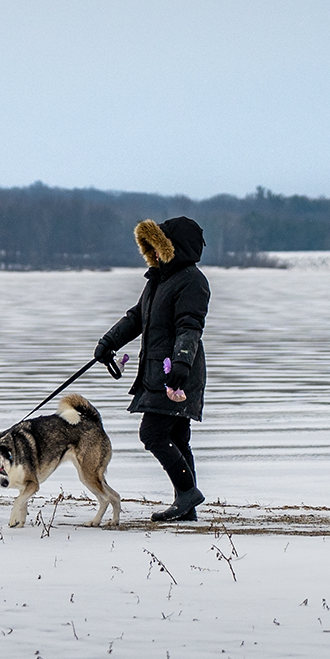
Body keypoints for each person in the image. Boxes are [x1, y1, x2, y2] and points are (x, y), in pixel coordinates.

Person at [95, 216, 211, 521]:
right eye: (151, 247)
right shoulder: (158, 280)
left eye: (158, 246)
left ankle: (187, 493)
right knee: (178, 437)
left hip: (177, 373)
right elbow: (137, 318)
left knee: (152, 433)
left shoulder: (191, 281)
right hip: (159, 371)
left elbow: (190, 327)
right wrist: (109, 342)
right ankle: (187, 506)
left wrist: (182, 364)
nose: (154, 253)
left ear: (173, 247)